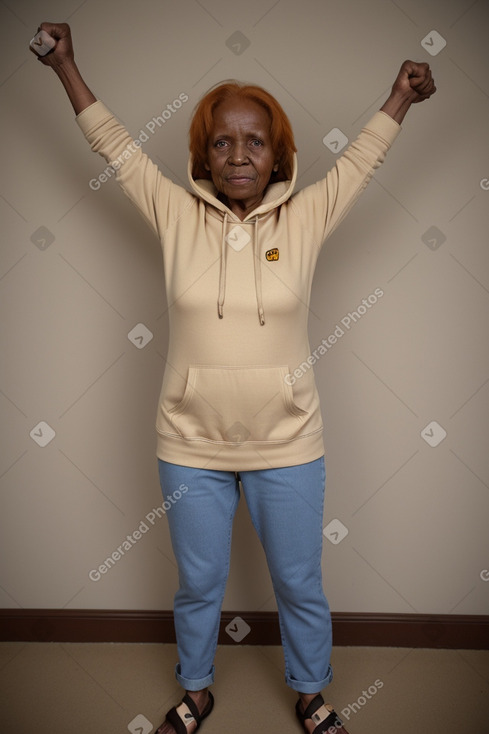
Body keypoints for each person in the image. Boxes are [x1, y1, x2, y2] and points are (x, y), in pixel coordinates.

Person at [32, 21, 436, 734]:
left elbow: (361, 162)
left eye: (255, 140)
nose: (239, 154)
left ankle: (310, 694)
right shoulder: (173, 213)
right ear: (203, 154)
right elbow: (114, 147)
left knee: (298, 583)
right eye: (222, 141)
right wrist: (67, 64)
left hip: (288, 441)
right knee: (197, 585)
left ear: (278, 152)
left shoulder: (305, 217)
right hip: (189, 440)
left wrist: (399, 96)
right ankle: (197, 692)